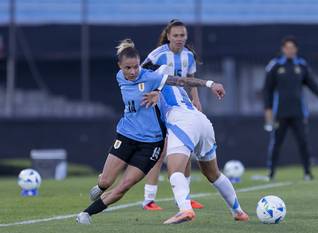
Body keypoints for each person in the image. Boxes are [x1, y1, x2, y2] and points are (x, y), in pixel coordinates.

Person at [76, 39, 226, 224]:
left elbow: (181, 80)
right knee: (106, 182)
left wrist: (209, 84)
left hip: (151, 144)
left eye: (136, 67)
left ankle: (85, 214)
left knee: (124, 186)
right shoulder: (119, 77)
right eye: (128, 68)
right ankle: (101, 185)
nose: (132, 72)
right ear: (119, 67)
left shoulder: (150, 77)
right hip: (126, 135)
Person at [143, 50, 249, 225]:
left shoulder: (151, 78)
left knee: (175, 170)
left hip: (182, 122)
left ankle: (185, 209)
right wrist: (209, 84)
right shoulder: (168, 77)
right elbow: (184, 80)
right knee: (213, 173)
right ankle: (238, 212)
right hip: (202, 121)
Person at [140, 19, 204, 211]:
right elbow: (140, 75)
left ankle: (184, 198)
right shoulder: (157, 55)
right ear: (168, 36)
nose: (179, 39)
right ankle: (148, 199)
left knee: (185, 149)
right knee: (159, 152)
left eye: (182, 35)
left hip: (180, 108)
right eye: (175, 35)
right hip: (159, 107)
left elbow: (190, 80)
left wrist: (196, 100)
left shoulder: (189, 57)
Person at [263, 36, 318, 181]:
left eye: (292, 48)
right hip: (280, 113)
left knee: (303, 142)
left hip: (298, 112)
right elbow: (267, 90)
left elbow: (313, 85)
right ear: (283, 49)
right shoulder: (275, 66)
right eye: (287, 48)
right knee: (276, 143)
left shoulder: (302, 65)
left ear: (296, 49)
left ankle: (307, 173)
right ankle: (271, 173)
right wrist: (267, 110)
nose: (290, 50)